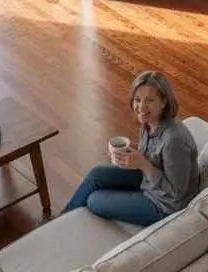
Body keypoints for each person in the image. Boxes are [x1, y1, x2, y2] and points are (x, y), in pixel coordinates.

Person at [62, 71, 199, 226]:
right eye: (137, 99)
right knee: (96, 175)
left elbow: (177, 193)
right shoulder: (150, 122)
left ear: (164, 102)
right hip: (149, 181)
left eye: (149, 100)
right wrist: (129, 152)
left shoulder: (174, 140)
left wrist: (143, 165)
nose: (141, 107)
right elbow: (154, 154)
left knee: (94, 199)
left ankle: (62, 226)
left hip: (165, 205)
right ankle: (60, 221)